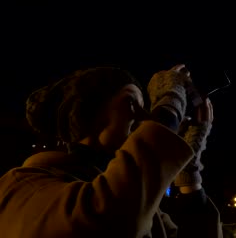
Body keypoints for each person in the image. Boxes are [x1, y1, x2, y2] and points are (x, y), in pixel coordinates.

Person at [0, 64, 223, 238]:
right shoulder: (21, 186)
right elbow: (105, 222)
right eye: (130, 102)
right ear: (86, 112)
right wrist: (169, 110)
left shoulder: (147, 211)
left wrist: (189, 176)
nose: (144, 118)